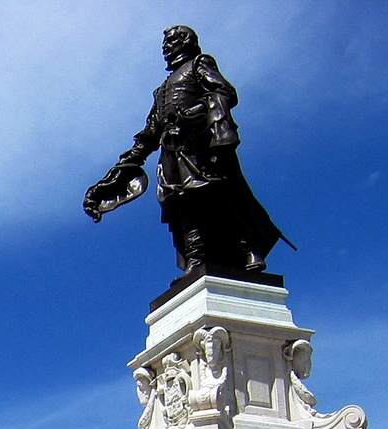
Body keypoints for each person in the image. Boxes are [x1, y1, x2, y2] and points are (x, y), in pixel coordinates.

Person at [84, 25, 288, 274]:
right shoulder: (160, 91)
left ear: (187, 42)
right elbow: (149, 134)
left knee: (221, 197)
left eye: (171, 42)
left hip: (200, 145)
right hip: (172, 154)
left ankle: (249, 249)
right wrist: (114, 175)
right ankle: (196, 259)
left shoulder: (198, 64)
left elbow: (225, 92)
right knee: (183, 204)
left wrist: (195, 113)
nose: (166, 48)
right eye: (164, 45)